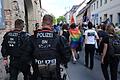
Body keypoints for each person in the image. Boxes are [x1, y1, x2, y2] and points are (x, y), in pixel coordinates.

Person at [20, 14, 71, 80]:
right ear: (52, 24)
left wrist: (34, 62)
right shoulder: (59, 38)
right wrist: (57, 61)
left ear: (42, 23)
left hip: (37, 74)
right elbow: (67, 57)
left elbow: (24, 57)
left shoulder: (31, 39)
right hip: (54, 74)